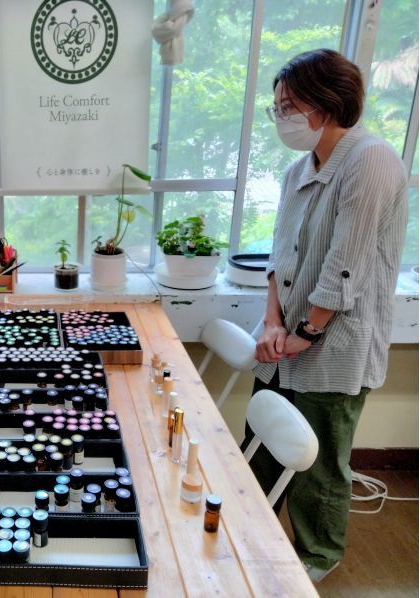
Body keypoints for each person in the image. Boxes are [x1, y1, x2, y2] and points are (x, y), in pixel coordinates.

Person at [248, 49, 407, 582]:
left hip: (334, 346)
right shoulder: (300, 169)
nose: (282, 118)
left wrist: (307, 332)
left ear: (328, 101)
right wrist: (273, 324)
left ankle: (316, 557)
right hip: (284, 340)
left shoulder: (371, 160)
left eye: (289, 105)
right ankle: (256, 538)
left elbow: (346, 264)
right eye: (277, 108)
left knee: (318, 464)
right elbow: (278, 257)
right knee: (268, 448)